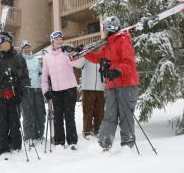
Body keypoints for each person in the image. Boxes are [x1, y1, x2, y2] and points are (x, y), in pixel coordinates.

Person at [84, 16, 140, 151]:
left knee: (125, 115)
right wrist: (83, 52)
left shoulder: (123, 40)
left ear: (109, 29)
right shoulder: (109, 43)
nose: (102, 30)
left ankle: (127, 145)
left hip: (127, 85)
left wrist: (117, 71)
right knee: (110, 114)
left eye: (103, 28)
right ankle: (104, 143)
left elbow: (129, 63)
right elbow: (99, 57)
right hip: (113, 85)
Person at [0, 32, 29, 160]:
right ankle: (4, 149)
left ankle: (16, 146)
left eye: (2, 41)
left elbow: (24, 78)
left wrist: (20, 94)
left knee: (14, 123)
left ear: (9, 42)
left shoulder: (18, 58)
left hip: (13, 96)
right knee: (2, 124)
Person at [41, 30, 80, 150]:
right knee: (57, 117)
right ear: (52, 40)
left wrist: (72, 52)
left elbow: (77, 64)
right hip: (56, 91)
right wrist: (45, 90)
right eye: (57, 39)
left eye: (61, 39)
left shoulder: (66, 53)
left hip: (69, 89)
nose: (59, 41)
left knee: (69, 116)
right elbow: (44, 75)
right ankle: (59, 141)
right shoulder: (47, 57)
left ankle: (72, 141)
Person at [19, 39, 46, 143]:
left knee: (40, 112)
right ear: (22, 50)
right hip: (27, 90)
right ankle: (29, 136)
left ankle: (39, 134)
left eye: (28, 47)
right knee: (28, 113)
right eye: (24, 48)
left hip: (37, 89)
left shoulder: (35, 59)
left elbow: (40, 72)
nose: (27, 49)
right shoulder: (20, 60)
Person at [74, 57, 106, 140]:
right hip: (88, 87)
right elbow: (75, 63)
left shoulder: (103, 57)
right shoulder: (86, 57)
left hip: (100, 88)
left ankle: (98, 130)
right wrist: (77, 54)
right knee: (88, 111)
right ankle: (87, 131)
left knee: (100, 112)